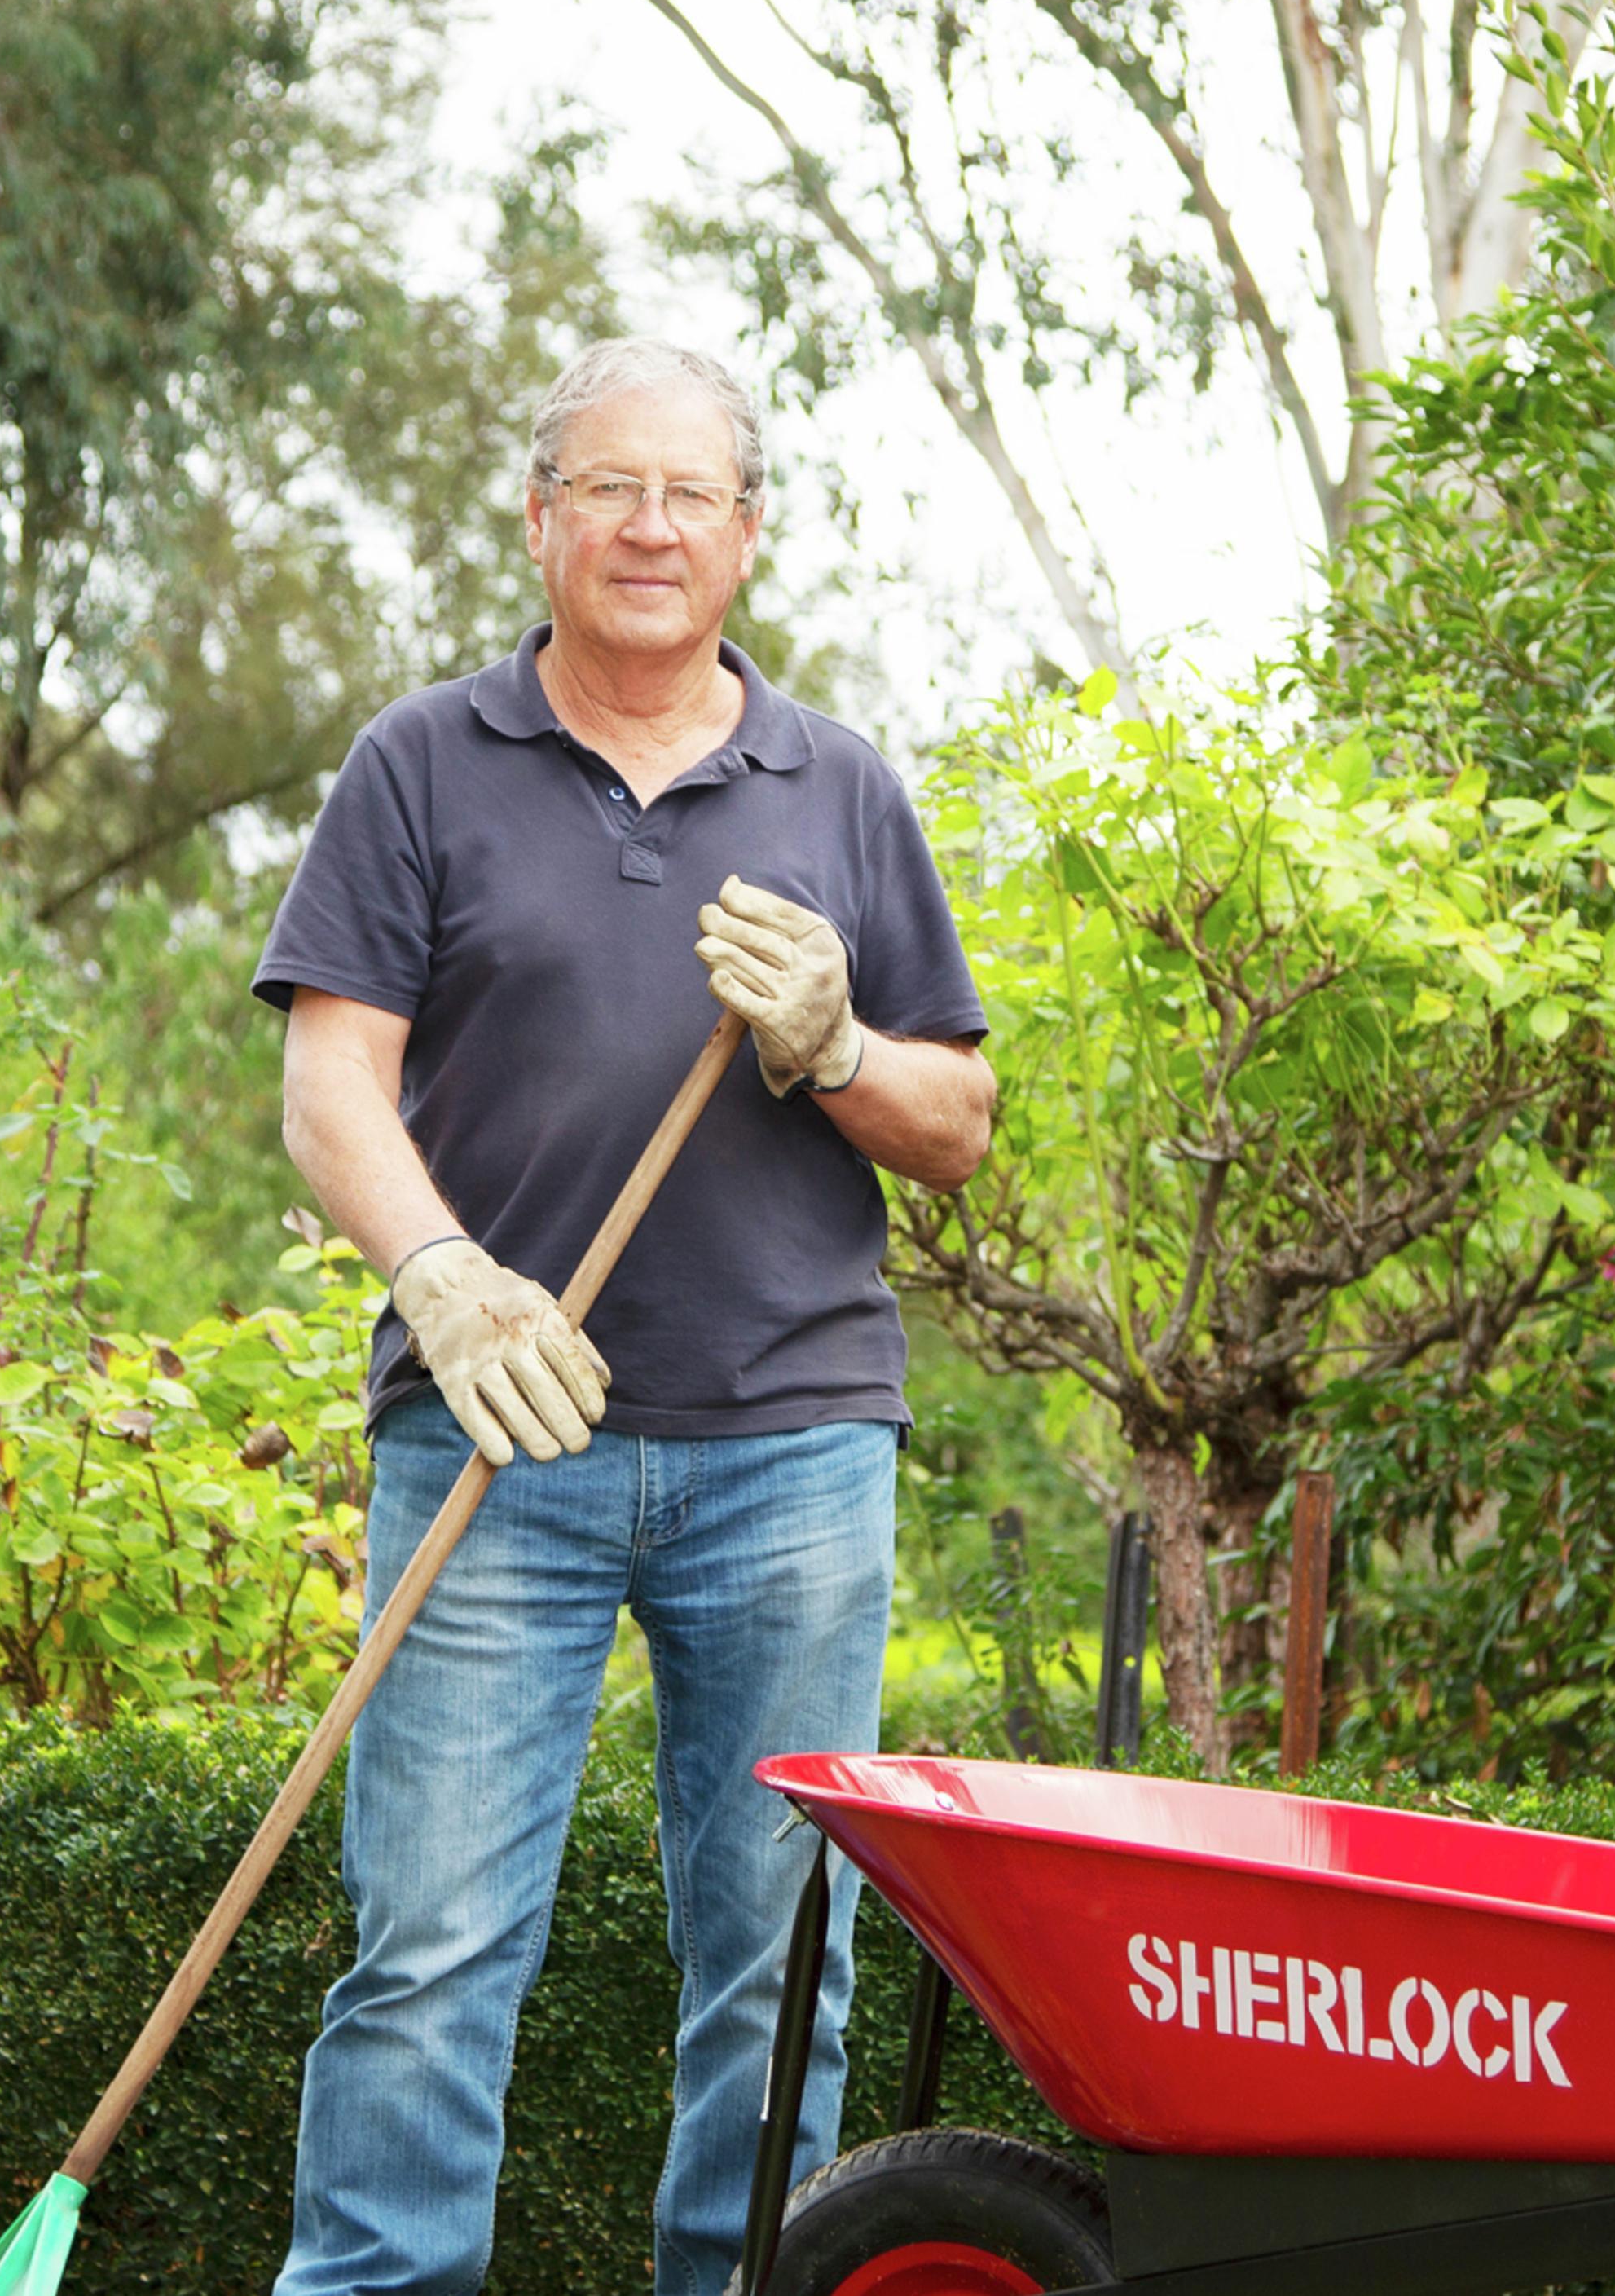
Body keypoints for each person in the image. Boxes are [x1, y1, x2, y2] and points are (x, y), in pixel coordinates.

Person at [252, 336, 994, 2295]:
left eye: (691, 494)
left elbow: (960, 1125)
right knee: (425, 1954)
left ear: (748, 534)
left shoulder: (838, 788)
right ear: (542, 518)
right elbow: (334, 1086)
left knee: (781, 1973)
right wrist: (443, 1268)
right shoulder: (419, 760)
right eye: (609, 488)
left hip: (792, 1452)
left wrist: (834, 1040)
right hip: (494, 1436)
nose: (650, 527)